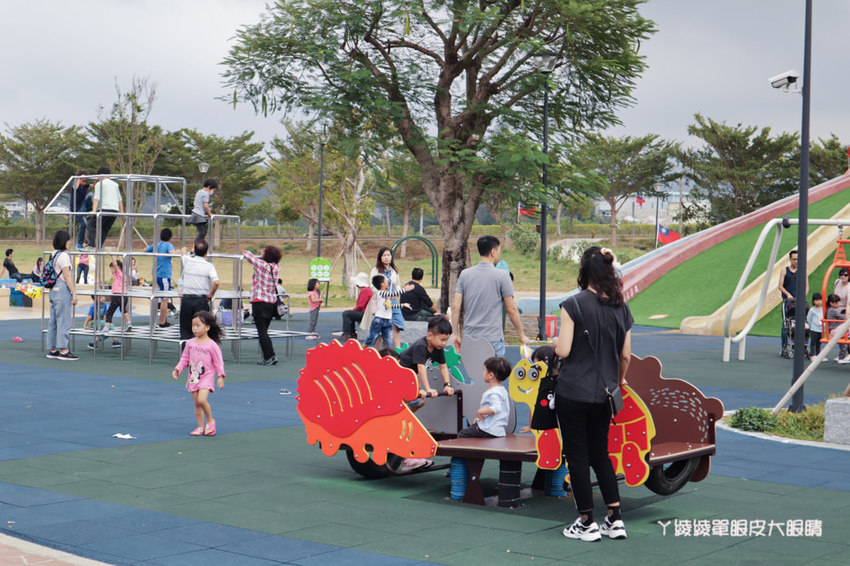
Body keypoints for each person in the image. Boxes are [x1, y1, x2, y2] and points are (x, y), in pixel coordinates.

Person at [554, 246, 632, 542]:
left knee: (577, 456)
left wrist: (554, 343)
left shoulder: (572, 304)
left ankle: (586, 522)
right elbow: (625, 355)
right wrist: (619, 381)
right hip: (605, 394)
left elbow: (563, 350)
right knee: (601, 454)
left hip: (573, 392)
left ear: (583, 272)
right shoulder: (621, 307)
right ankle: (615, 518)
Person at [451, 235, 530, 356]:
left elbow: (455, 307)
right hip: (492, 338)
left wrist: (456, 334)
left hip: (470, 337)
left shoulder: (465, 274)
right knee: (494, 369)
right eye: (499, 251)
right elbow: (512, 310)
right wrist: (521, 334)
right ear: (493, 252)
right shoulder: (502, 276)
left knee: (474, 368)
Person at [396, 316, 455, 472]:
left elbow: (443, 367)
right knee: (418, 400)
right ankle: (406, 457)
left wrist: (447, 385)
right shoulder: (420, 346)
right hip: (397, 379)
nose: (444, 343)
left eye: (446, 340)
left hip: (407, 380)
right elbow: (421, 368)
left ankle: (401, 419)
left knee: (420, 402)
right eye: (442, 339)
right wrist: (427, 389)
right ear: (430, 336)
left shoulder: (437, 348)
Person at [448, 356, 512, 500]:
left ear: (491, 375)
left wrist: (480, 411)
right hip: (495, 428)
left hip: (489, 429)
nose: (482, 373)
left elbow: (495, 408)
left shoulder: (493, 392)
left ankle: (459, 465)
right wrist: (480, 417)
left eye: (484, 370)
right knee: (471, 429)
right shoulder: (501, 390)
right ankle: (466, 462)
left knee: (462, 435)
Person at [172, 310, 226, 436]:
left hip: (206, 376)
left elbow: (218, 362)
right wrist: (178, 369)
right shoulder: (190, 343)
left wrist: (220, 376)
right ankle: (201, 426)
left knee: (202, 400)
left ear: (207, 327)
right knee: (196, 403)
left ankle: (210, 421)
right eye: (193, 325)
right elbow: (185, 358)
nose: (195, 328)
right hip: (193, 376)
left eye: (198, 325)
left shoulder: (212, 345)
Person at [243, 245, 282, 365]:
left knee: (262, 332)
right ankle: (271, 355)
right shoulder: (276, 267)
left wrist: (258, 256)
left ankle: (269, 356)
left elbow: (246, 253)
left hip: (259, 301)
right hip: (271, 302)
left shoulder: (261, 265)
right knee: (264, 331)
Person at [45, 230, 79, 361]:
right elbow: (67, 276)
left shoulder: (52, 254)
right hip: (62, 290)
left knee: (53, 321)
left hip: (53, 290)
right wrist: (74, 293)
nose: (69, 243)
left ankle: (52, 349)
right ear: (64, 241)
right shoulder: (64, 256)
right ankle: (64, 350)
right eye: (68, 241)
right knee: (64, 320)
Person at [178, 239, 220, 342]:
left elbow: (183, 252)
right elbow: (216, 282)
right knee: (201, 330)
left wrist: (186, 249)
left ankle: (185, 351)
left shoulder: (187, 260)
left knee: (185, 331)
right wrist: (211, 294)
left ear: (194, 251)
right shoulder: (209, 266)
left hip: (187, 299)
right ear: (206, 253)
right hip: (201, 300)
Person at [366, 247, 405, 348]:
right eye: (384, 255)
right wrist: (383, 294)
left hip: (393, 301)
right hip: (381, 302)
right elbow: (373, 286)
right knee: (379, 329)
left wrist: (397, 294)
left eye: (388, 255)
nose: (386, 257)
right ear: (380, 257)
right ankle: (378, 352)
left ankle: (397, 351)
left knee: (396, 325)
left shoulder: (394, 270)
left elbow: (398, 284)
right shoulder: (376, 270)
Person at [364, 274, 411, 348]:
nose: (387, 283)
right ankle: (360, 349)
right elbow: (393, 294)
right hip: (379, 320)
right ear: (382, 284)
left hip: (388, 320)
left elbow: (389, 306)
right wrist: (404, 289)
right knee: (372, 338)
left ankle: (386, 354)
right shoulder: (381, 293)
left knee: (388, 341)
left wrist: (403, 305)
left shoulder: (386, 295)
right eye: (386, 281)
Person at [778, 250, 808, 356]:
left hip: (799, 301)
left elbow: (806, 286)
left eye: (798, 259)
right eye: (794, 259)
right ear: (790, 259)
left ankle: (802, 346)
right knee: (786, 324)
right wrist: (788, 294)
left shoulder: (803, 271)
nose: (796, 261)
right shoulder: (784, 271)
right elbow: (780, 286)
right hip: (788, 301)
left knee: (803, 323)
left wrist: (803, 296)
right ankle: (784, 346)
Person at [146, 228, 178, 328]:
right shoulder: (168, 245)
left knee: (157, 298)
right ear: (170, 238)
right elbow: (173, 254)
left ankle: (155, 320)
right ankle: (162, 322)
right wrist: (178, 252)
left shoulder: (157, 245)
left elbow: (145, 250)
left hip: (155, 275)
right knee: (165, 299)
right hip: (164, 276)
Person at [90, 166, 124, 248]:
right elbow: (119, 199)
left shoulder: (99, 184)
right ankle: (98, 247)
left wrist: (93, 211)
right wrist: (122, 212)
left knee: (92, 225)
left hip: (104, 209)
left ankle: (90, 245)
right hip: (114, 211)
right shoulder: (115, 184)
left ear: (100, 175)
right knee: (104, 229)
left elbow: (96, 198)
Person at [103, 259, 133, 341]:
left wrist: (112, 256)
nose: (111, 270)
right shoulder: (123, 274)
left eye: (112, 268)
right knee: (123, 310)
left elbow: (116, 265)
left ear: (117, 267)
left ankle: (106, 328)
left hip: (117, 295)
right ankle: (129, 323)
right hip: (124, 296)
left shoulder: (118, 272)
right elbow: (119, 263)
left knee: (110, 312)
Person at [340, 272, 372, 341]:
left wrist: (354, 309)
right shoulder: (367, 290)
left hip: (365, 313)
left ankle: (347, 333)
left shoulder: (365, 291)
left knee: (346, 314)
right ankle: (351, 333)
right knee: (350, 314)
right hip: (366, 312)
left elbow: (361, 305)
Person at [70, 169, 91, 250]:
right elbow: (75, 187)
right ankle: (79, 243)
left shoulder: (85, 186)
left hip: (82, 208)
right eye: (83, 181)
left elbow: (92, 185)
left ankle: (89, 212)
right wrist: (79, 178)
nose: (85, 183)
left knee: (91, 195)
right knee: (84, 224)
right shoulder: (76, 184)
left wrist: (98, 179)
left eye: (86, 181)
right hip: (76, 209)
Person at [826, 293, 848, 363]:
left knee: (843, 344)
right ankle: (841, 358)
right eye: (837, 303)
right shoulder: (832, 310)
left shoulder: (830, 310)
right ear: (831, 303)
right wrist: (847, 316)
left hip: (834, 330)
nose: (839, 304)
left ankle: (841, 357)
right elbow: (842, 317)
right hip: (835, 330)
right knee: (846, 326)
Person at [807, 292, 823, 360]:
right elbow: (809, 318)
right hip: (814, 329)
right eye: (817, 300)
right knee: (813, 342)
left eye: (820, 300)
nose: (819, 302)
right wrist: (811, 326)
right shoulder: (812, 310)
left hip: (821, 329)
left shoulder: (822, 309)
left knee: (819, 343)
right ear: (813, 301)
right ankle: (812, 355)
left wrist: (823, 326)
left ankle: (818, 355)